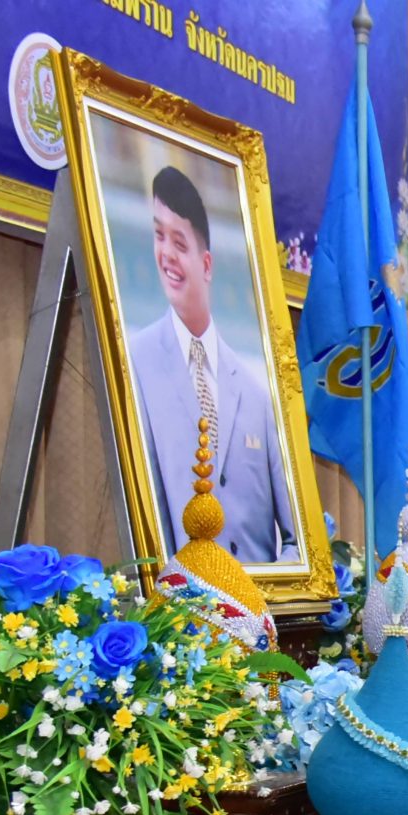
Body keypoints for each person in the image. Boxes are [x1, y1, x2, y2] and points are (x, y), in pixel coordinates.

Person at [128, 165, 290, 563]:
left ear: (207, 264)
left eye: (179, 243)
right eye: (158, 235)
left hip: (258, 616)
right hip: (177, 612)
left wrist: (270, 596)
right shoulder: (135, 362)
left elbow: (296, 542)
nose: (165, 253)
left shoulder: (257, 392)